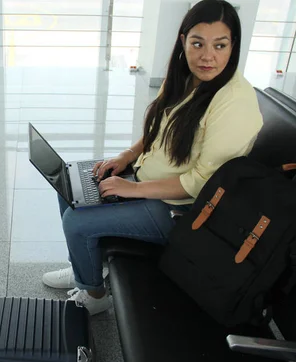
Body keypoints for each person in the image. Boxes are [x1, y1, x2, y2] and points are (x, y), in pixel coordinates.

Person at [42, 0, 264, 315]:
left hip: (181, 212)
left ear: (234, 46)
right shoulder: (186, 79)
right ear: (183, 41)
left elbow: (202, 184)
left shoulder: (234, 103)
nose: (207, 55)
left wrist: (132, 189)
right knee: (70, 186)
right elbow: (158, 131)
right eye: (197, 43)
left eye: (220, 45)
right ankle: (85, 269)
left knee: (77, 222)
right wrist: (126, 156)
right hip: (150, 183)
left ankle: (94, 295)